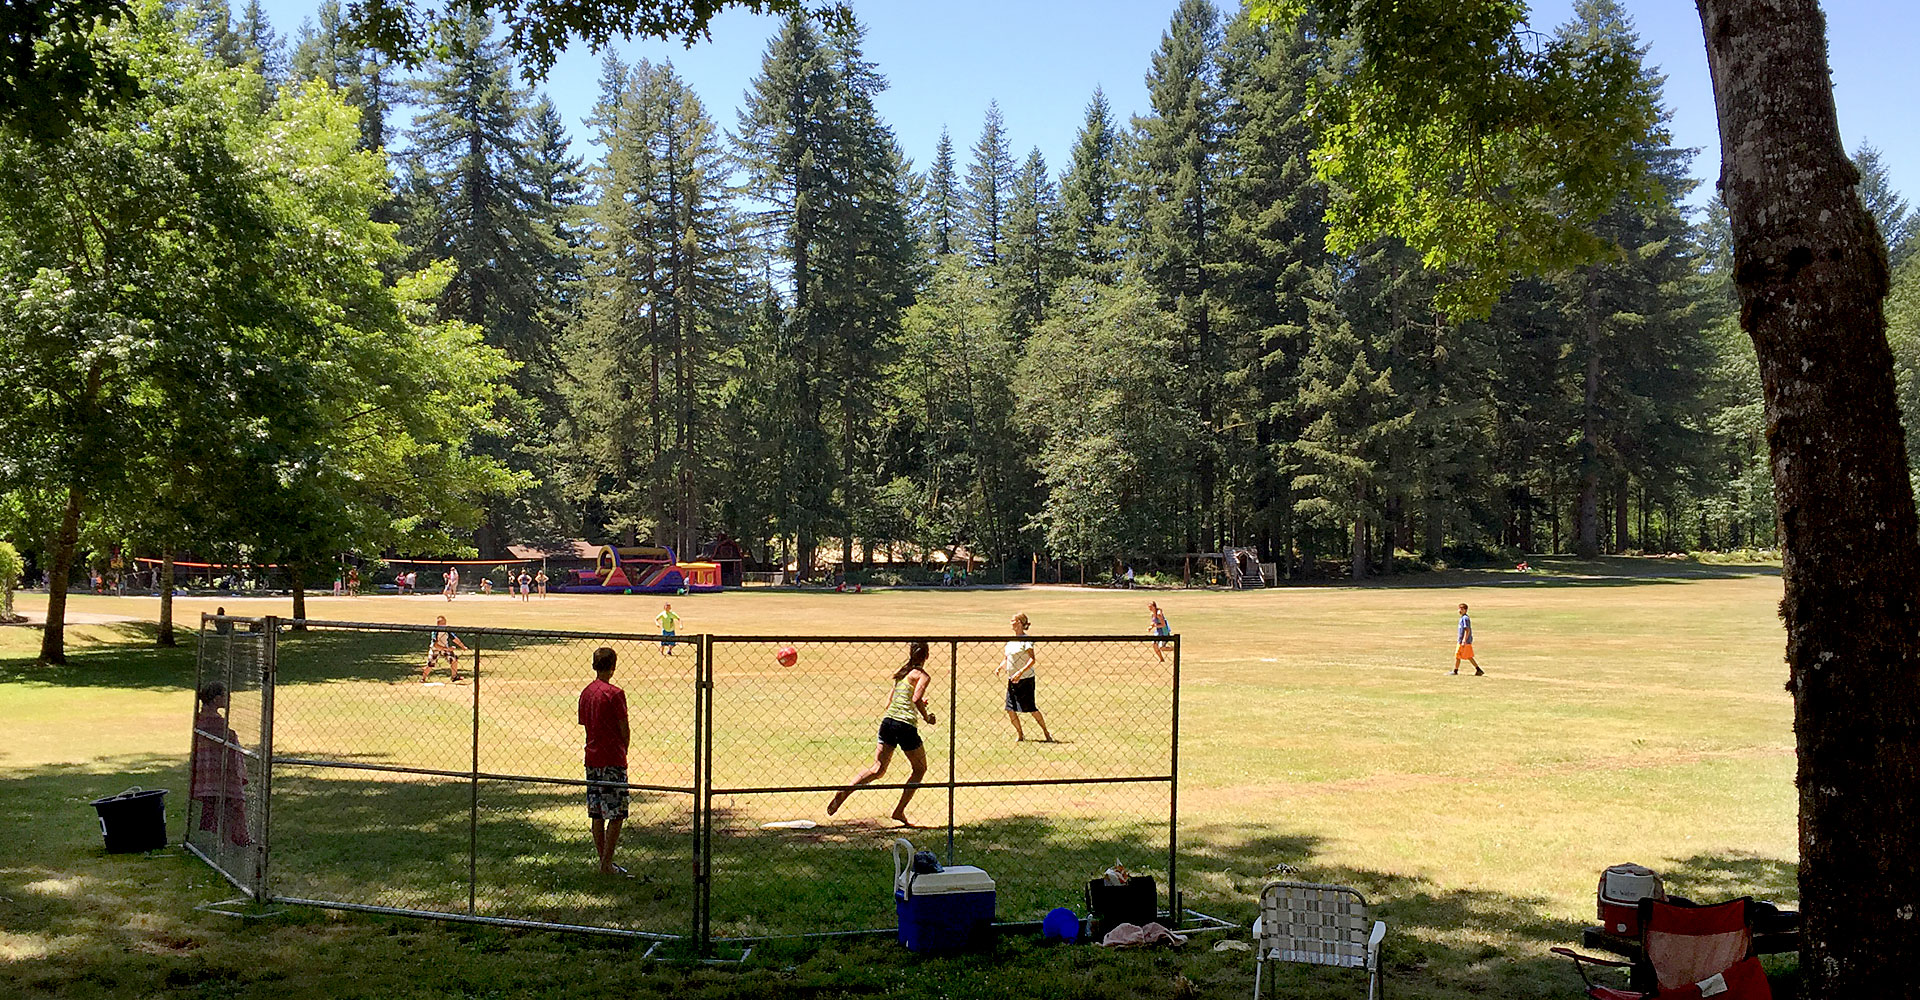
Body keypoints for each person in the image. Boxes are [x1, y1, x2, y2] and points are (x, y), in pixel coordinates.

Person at [827, 640, 938, 826]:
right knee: (920, 769)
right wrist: (926, 716)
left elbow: (891, 702)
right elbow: (916, 698)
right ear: (926, 656)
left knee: (877, 769)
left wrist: (915, 702)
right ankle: (899, 811)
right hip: (905, 726)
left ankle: (846, 790)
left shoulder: (902, 674)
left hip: (888, 722)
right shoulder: (922, 675)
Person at [578, 647, 632, 876]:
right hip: (612, 759)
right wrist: (623, 749)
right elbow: (624, 728)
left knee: (597, 813)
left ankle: (604, 862)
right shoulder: (615, 694)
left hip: (592, 757)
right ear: (613, 666)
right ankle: (606, 864)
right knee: (617, 813)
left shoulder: (586, 693)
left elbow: (585, 725)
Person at [191, 682, 251, 845]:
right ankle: (236, 837)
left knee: (223, 805)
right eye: (225, 695)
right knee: (232, 802)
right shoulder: (212, 722)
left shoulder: (203, 719)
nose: (228, 699)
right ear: (216, 699)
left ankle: (227, 840)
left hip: (213, 769)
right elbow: (227, 738)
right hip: (219, 769)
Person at [997, 612, 1053, 742]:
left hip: (1025, 679)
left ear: (1019, 623)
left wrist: (1020, 672)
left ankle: (1046, 732)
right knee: (1010, 709)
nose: (1011, 623)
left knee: (1031, 709)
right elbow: (1006, 658)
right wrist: (1000, 667)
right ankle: (1020, 734)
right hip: (1012, 679)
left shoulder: (1026, 640)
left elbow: (1032, 659)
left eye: (1013, 620)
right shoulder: (1011, 641)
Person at [424, 615, 469, 683]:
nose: (444, 625)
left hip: (445, 648)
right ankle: (423, 678)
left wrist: (462, 646)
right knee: (430, 664)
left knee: (454, 659)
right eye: (442, 624)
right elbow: (435, 645)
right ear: (438, 624)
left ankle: (454, 676)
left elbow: (455, 639)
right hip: (435, 649)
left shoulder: (447, 630)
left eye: (444, 623)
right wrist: (447, 649)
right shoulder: (435, 631)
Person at [1453, 603, 1484, 676]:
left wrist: (1464, 640)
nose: (1460, 610)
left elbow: (1467, 629)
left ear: (1465, 610)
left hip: (1464, 641)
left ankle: (1455, 671)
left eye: (1462, 609)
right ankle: (1478, 670)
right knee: (1468, 656)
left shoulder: (1465, 618)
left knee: (1458, 655)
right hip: (1462, 641)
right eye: (1459, 609)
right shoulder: (1462, 618)